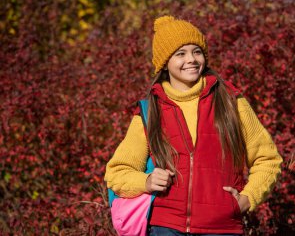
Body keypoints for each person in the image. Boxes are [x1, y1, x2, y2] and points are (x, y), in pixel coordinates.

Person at [104, 16, 283, 236]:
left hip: (222, 228)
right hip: (165, 227)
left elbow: (268, 159)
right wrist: (147, 181)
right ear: (164, 63)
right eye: (181, 54)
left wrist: (246, 200)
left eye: (197, 51)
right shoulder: (151, 111)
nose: (191, 59)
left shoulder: (230, 102)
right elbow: (117, 172)